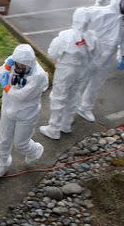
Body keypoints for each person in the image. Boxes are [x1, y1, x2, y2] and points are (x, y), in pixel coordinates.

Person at [0, 44, 49, 178]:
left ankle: (34, 150)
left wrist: (6, 87)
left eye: (22, 66)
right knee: (2, 140)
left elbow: (22, 96)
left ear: (29, 63)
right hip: (8, 109)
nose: (19, 68)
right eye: (17, 64)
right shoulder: (14, 62)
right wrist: (6, 67)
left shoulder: (37, 76)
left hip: (26, 114)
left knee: (20, 144)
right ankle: (2, 164)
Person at [76, 0, 124, 122]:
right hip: (92, 55)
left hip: (107, 59)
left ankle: (85, 108)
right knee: (81, 81)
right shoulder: (101, 12)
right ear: (117, 1)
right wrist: (79, 40)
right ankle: (71, 105)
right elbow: (82, 17)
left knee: (96, 85)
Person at [39, 8, 98, 140]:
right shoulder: (92, 37)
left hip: (66, 69)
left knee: (59, 97)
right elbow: (95, 54)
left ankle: (54, 128)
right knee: (74, 95)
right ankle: (66, 124)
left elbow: (52, 53)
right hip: (82, 70)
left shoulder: (66, 36)